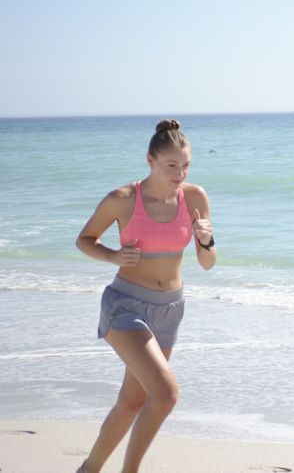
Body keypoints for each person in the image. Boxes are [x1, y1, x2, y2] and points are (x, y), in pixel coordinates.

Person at [74, 120, 216, 473]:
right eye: (171, 165)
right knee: (166, 395)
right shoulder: (122, 199)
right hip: (126, 305)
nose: (179, 174)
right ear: (150, 160)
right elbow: (84, 240)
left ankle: (88, 470)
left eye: (186, 165)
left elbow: (208, 262)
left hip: (170, 309)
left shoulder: (195, 198)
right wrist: (112, 256)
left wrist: (205, 240)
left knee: (132, 402)